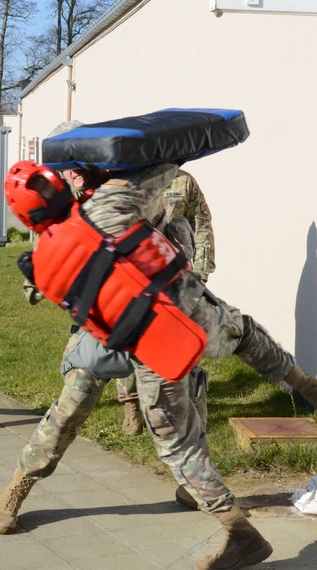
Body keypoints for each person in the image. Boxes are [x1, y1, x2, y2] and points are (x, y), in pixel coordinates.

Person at [0, 156, 317, 570]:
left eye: (78, 167)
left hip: (165, 317)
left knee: (204, 387)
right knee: (69, 413)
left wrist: (187, 270)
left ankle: (202, 491)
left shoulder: (121, 193)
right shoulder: (86, 211)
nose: (72, 175)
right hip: (105, 334)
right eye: (66, 171)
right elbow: (39, 284)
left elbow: (190, 225)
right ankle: (18, 487)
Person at [117, 168, 215, 437]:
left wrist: (203, 270)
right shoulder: (129, 178)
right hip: (138, 272)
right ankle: (131, 406)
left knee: (186, 341)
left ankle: (191, 411)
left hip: (177, 274)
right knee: (131, 338)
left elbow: (202, 223)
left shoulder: (184, 181)